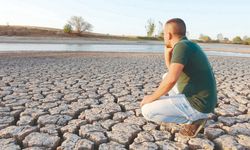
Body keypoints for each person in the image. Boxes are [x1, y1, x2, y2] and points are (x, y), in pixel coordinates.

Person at [140, 18, 217, 137]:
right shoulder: (188, 44)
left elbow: (171, 80)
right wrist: (167, 54)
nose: (163, 37)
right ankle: (190, 114)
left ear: (169, 35)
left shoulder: (181, 47)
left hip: (198, 104)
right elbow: (172, 72)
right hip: (205, 102)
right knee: (165, 76)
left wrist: (151, 98)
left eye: (164, 34)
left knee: (147, 111)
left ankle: (194, 120)